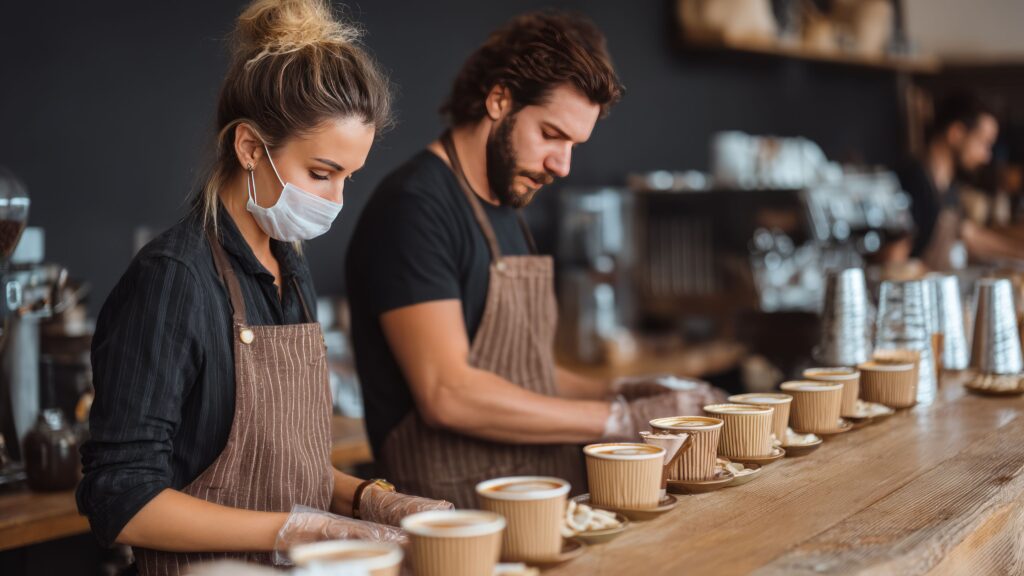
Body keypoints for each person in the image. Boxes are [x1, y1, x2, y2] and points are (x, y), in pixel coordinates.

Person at [76, 1, 447, 573]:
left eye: (349, 177)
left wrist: (373, 499)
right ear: (250, 147)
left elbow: (282, 466)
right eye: (321, 173)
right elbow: (121, 500)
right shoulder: (173, 281)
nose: (336, 201)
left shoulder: (287, 269)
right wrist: (299, 529)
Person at [346, 11, 725, 507]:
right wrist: (615, 421)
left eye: (573, 144)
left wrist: (622, 392)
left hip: (539, 500)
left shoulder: (507, 206)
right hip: (460, 517)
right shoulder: (415, 207)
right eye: (551, 135)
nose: (561, 165)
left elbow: (529, 376)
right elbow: (448, 394)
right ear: (499, 99)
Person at [898, 93, 1024, 270]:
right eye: (983, 143)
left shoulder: (948, 187)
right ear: (956, 133)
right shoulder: (911, 183)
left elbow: (968, 234)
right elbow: (894, 262)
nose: (986, 156)